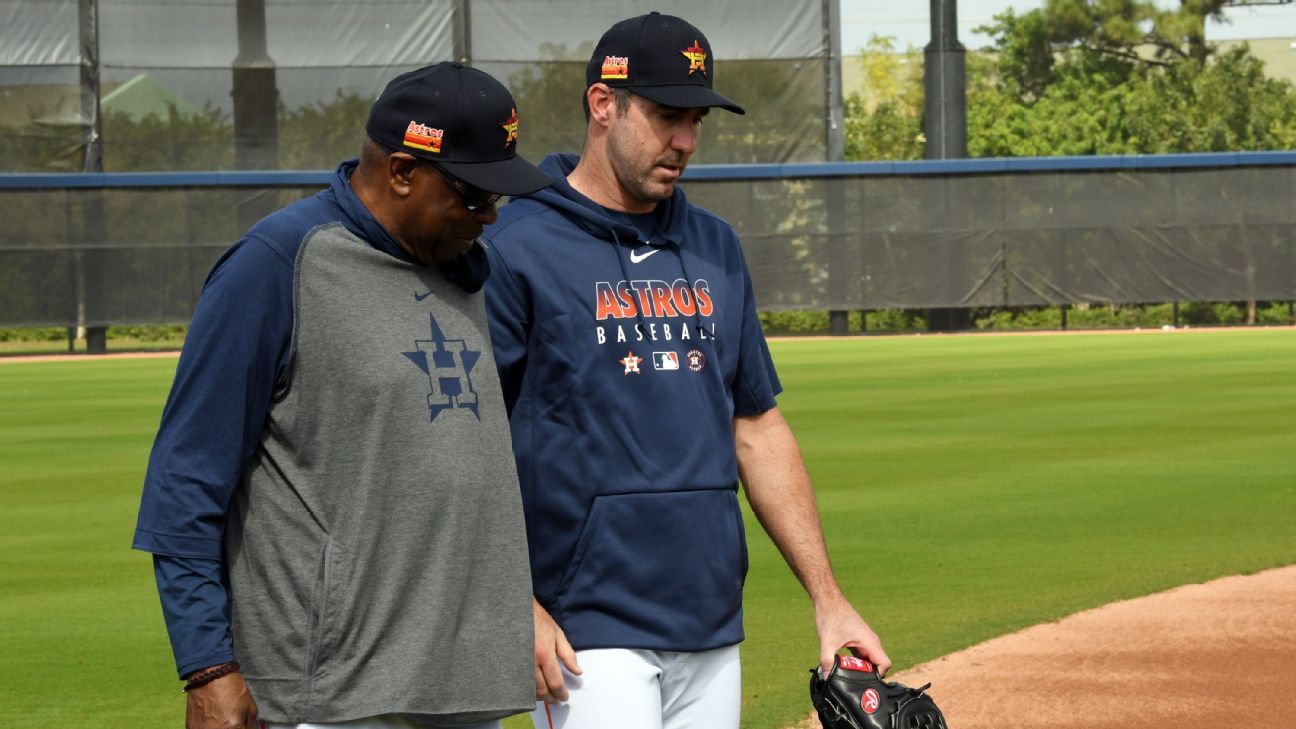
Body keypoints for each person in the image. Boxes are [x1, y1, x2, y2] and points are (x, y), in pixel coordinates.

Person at [479, 12, 890, 729]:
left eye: (696, 120)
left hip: (710, 620)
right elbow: (466, 444)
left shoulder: (715, 246)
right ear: (602, 104)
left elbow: (757, 427)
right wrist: (518, 599)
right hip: (587, 631)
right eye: (668, 116)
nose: (686, 142)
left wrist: (829, 599)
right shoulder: (518, 247)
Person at [132, 62, 552, 729]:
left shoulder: (467, 272)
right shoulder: (277, 263)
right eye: (473, 194)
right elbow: (185, 479)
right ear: (403, 172)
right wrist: (207, 666)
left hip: (464, 687)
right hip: (328, 697)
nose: (491, 214)